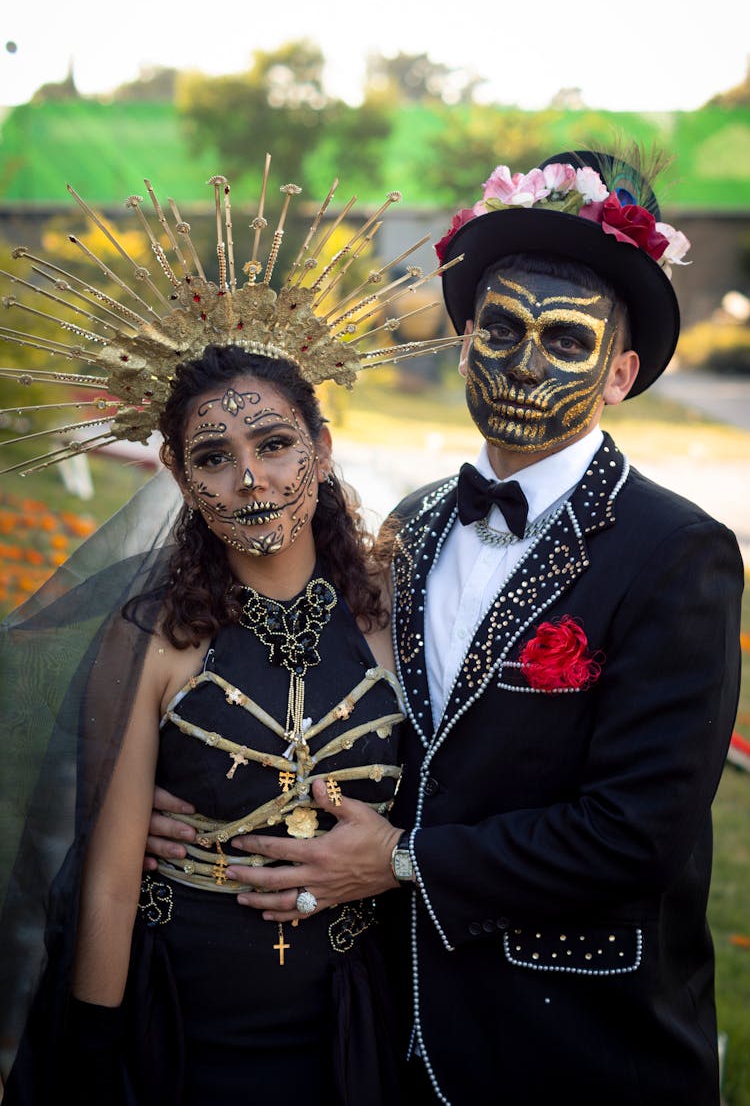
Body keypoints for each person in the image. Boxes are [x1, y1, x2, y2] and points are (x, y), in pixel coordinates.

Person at [144, 148, 744, 1105]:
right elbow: (350, 704)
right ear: (462, 341)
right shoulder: (415, 524)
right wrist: (186, 800)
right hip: (393, 1030)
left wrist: (401, 858)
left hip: (576, 1045)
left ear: (622, 372)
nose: (524, 363)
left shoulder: (678, 552)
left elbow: (639, 833)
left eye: (568, 342)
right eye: (499, 329)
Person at [0, 170, 457, 1105]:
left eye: (275, 443)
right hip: (182, 1023)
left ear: (321, 448)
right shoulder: (156, 637)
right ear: (177, 470)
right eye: (214, 456)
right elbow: (112, 882)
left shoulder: (393, 619)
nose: (250, 478)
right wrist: (90, 1061)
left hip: (347, 1021)